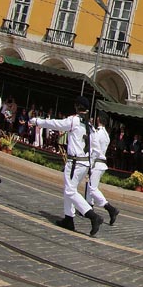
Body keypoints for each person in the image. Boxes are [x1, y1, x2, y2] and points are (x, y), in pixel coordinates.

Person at [29, 99, 104, 236]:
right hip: (84, 163)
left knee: (70, 191)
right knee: (69, 189)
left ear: (77, 107)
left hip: (75, 162)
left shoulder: (74, 120)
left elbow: (56, 124)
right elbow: (96, 149)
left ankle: (93, 216)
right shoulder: (90, 125)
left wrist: (37, 121)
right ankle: (69, 219)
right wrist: (90, 163)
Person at [85, 112, 120, 227]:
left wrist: (89, 163)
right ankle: (88, 207)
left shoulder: (98, 133)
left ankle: (110, 209)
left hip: (97, 162)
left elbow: (93, 149)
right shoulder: (106, 134)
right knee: (91, 186)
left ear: (98, 119)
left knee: (92, 189)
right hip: (102, 164)